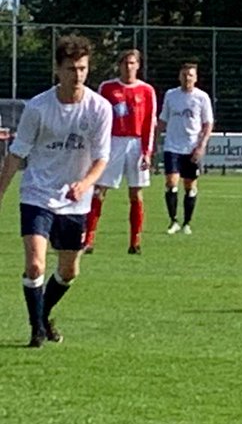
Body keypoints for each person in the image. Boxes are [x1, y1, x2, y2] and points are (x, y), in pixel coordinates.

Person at [0, 35, 112, 347]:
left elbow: (102, 158)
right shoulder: (38, 107)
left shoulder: (99, 108)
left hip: (75, 202)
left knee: (69, 271)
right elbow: (16, 154)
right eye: (71, 68)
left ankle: (43, 314)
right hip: (37, 193)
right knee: (36, 264)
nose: (77, 75)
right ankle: (36, 330)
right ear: (57, 70)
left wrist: (85, 183)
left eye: (83, 68)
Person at [84, 49, 157, 255]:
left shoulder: (146, 90)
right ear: (119, 65)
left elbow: (149, 123)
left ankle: (135, 242)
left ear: (138, 65)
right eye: (125, 63)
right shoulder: (107, 88)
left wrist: (147, 151)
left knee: (136, 192)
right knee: (100, 189)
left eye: (132, 63)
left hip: (135, 144)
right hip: (113, 142)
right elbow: (98, 118)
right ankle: (88, 239)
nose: (129, 67)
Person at [159, 62, 214, 235]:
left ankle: (187, 223)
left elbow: (207, 123)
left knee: (190, 186)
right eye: (184, 74)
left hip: (191, 148)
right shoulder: (171, 95)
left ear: (195, 78)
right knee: (171, 183)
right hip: (172, 146)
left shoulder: (202, 97)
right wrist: (152, 140)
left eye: (190, 75)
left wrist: (201, 146)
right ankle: (173, 221)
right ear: (179, 76)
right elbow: (163, 120)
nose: (187, 78)